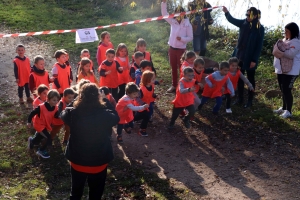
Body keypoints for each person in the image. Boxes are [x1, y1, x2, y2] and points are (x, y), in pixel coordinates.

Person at [61, 83, 119, 199]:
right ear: (98, 97)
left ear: (81, 97)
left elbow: (63, 113)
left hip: (77, 161)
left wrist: (77, 99)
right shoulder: (105, 115)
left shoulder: (72, 113)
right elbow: (116, 117)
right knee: (96, 194)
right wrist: (105, 100)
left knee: (76, 193)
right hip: (99, 162)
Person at [222, 6, 264, 108]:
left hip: (250, 57)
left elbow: (259, 46)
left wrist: (254, 59)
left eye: (248, 14)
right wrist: (226, 12)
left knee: (250, 78)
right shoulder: (243, 23)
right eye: (246, 14)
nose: (247, 16)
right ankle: (240, 98)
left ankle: (250, 100)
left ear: (255, 16)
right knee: (239, 77)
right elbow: (232, 20)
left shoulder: (260, 28)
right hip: (239, 55)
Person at [161, 0, 193, 93]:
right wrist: (163, 3)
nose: (178, 15)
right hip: (172, 48)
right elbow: (164, 14)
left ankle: (182, 86)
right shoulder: (172, 21)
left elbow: (190, 37)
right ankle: (174, 85)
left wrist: (182, 39)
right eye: (177, 13)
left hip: (182, 50)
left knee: (182, 69)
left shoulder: (187, 24)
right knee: (173, 68)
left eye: (180, 13)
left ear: (184, 14)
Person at [273, 22, 300, 118]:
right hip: (282, 69)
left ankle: (289, 111)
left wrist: (280, 50)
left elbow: (290, 54)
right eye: (285, 31)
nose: (285, 33)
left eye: (287, 31)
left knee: (287, 89)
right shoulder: (285, 40)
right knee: (282, 89)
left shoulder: (296, 42)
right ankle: (284, 108)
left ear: (293, 32)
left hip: (291, 71)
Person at [27, 89, 60, 159]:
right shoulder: (41, 107)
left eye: (57, 100)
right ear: (48, 99)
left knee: (41, 136)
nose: (56, 102)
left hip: (45, 124)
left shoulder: (55, 108)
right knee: (48, 137)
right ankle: (41, 150)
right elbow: (32, 113)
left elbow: (55, 115)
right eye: (54, 100)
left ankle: (32, 141)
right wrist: (29, 122)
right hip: (38, 125)